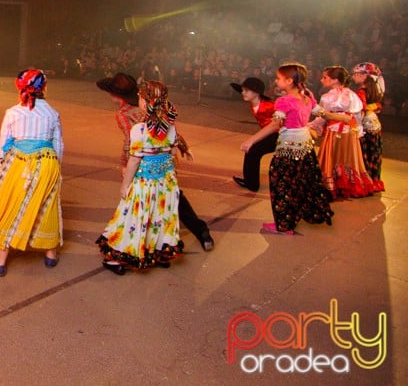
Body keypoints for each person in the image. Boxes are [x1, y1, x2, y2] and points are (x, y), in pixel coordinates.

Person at [96, 72, 213, 252]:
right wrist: (183, 147)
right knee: (171, 197)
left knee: (139, 202)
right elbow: (172, 131)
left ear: (115, 95)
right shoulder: (157, 108)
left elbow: (130, 143)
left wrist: (125, 165)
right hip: (166, 160)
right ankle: (200, 231)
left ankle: (134, 241)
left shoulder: (123, 113)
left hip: (144, 162)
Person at [0, 69, 62, 277]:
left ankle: (0, 261)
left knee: (13, 206)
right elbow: (58, 146)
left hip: (19, 164)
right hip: (47, 162)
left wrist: (1, 169)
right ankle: (50, 255)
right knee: (47, 206)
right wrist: (55, 169)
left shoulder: (13, 112)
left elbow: (3, 145)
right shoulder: (53, 113)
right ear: (44, 88)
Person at [96, 80, 183, 274]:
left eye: (140, 98)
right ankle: (159, 252)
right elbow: (173, 152)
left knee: (134, 218)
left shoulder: (140, 130)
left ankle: (122, 258)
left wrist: (125, 185)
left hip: (145, 182)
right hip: (166, 182)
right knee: (160, 217)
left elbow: (134, 160)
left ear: (145, 101)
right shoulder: (170, 126)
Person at [240, 63, 333, 234]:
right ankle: (299, 215)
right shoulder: (307, 96)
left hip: (288, 149)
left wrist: (251, 140)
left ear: (289, 81)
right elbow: (322, 113)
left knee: (282, 185)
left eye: (279, 78)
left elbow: (275, 125)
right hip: (305, 147)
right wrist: (341, 117)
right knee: (301, 182)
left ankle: (284, 224)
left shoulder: (284, 101)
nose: (276, 81)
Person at [313, 66, 373, 199]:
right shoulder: (352, 95)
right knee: (347, 156)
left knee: (335, 155)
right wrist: (358, 131)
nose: (322, 80)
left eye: (325, 77)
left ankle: (332, 183)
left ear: (335, 80)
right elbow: (357, 116)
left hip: (336, 131)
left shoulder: (327, 97)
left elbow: (322, 117)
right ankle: (347, 183)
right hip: (349, 131)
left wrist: (311, 126)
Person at [230, 77, 277, 192]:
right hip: (270, 134)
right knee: (252, 151)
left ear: (256, 92)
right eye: (242, 90)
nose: (243, 93)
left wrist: (253, 139)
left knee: (253, 150)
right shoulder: (253, 104)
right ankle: (250, 182)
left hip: (281, 135)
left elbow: (277, 124)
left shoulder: (269, 105)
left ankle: (251, 183)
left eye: (246, 90)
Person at [351, 62, 385, 192]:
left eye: (356, 74)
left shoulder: (361, 91)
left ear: (364, 75)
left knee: (366, 154)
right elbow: (379, 105)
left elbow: (360, 110)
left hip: (365, 125)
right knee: (374, 153)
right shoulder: (375, 90)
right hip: (375, 124)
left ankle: (366, 182)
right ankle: (374, 179)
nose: (354, 76)